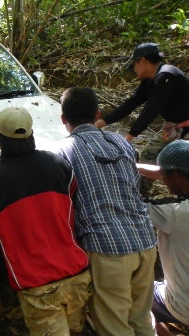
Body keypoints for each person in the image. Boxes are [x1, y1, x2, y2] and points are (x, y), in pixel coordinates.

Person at [0, 107, 92, 336]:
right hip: (78, 276)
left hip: (37, 287)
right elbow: (74, 207)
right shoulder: (59, 165)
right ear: (31, 134)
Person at [59, 87, 157, 336]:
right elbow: (134, 185)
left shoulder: (62, 152)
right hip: (144, 241)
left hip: (106, 248)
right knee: (142, 319)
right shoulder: (120, 143)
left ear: (63, 119)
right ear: (98, 113)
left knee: (113, 327)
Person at [95, 43, 189, 197]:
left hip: (185, 127)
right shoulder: (150, 81)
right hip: (174, 127)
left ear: (143, 61)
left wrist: (128, 138)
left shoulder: (167, 76)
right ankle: (140, 195)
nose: (134, 69)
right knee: (149, 155)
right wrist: (99, 123)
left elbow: (151, 110)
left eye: (134, 64)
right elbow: (131, 104)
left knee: (183, 165)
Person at [137, 140, 189, 336]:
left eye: (164, 176)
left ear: (175, 174)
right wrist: (136, 166)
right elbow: (168, 172)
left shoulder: (175, 212)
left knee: (138, 289)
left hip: (184, 308)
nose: (163, 181)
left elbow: (130, 206)